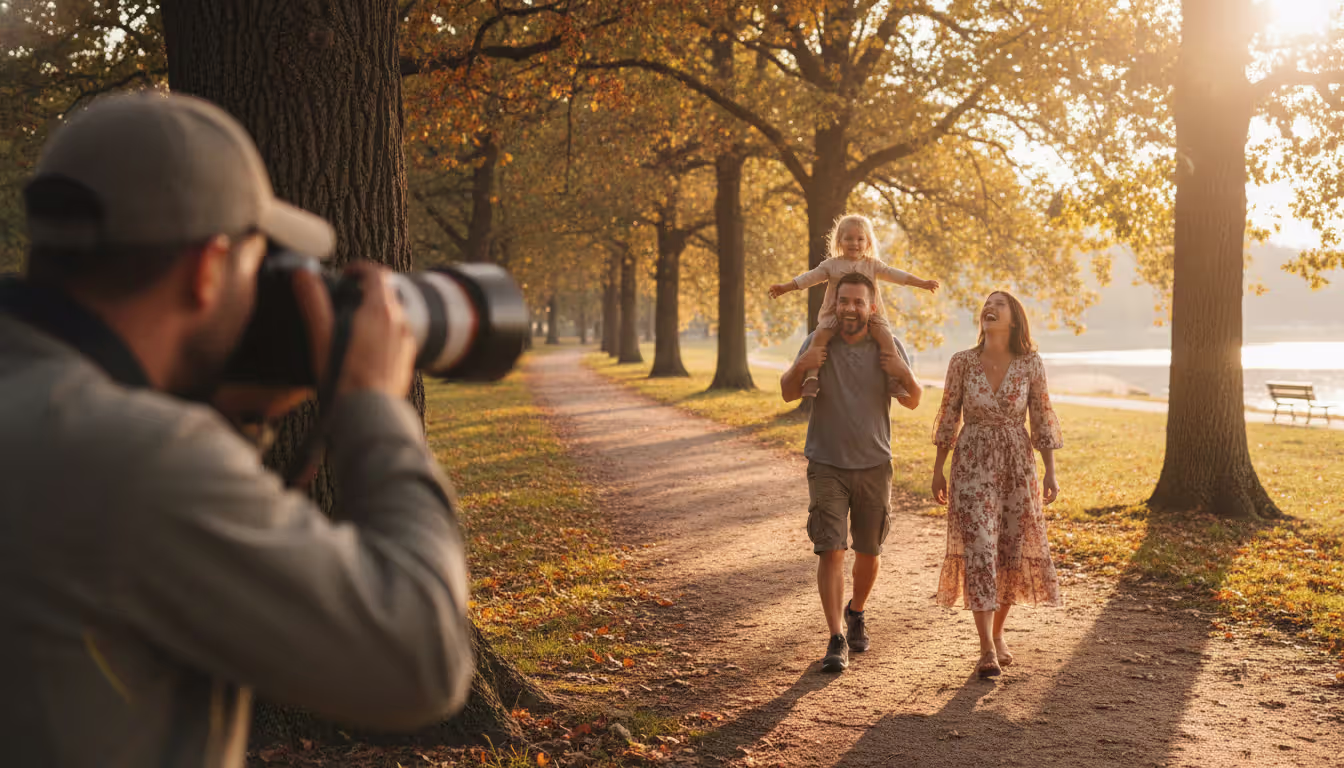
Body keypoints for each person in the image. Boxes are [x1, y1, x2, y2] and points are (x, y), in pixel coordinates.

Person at [0, 92, 474, 767]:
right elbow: (420, 661)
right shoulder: (136, 456)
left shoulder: (61, 415)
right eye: (258, 266)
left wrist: (239, 421)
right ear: (205, 270)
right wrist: (375, 405)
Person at [781, 272, 921, 673]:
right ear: (834, 303)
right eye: (843, 301)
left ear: (871, 306)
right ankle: (836, 636)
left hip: (875, 464)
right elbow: (789, 391)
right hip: (825, 462)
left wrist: (902, 369)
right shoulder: (817, 342)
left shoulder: (888, 345)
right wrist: (802, 365)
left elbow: (913, 400)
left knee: (869, 551)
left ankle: (856, 609)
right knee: (830, 547)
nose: (850, 309)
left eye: (858, 302)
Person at [930, 290, 1064, 678]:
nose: (989, 308)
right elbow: (948, 416)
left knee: (1010, 550)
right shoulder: (962, 362)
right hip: (971, 463)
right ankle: (986, 647)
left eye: (999, 304)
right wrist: (939, 467)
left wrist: (1049, 470)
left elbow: (1041, 416)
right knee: (979, 548)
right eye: (986, 304)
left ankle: (999, 633)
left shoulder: (1030, 364)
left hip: (1016, 466)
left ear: (1014, 318)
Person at [768, 213, 940, 398]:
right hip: (835, 313)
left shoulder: (872, 265)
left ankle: (893, 379)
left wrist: (922, 283)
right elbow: (809, 277)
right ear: (839, 241)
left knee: (886, 338)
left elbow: (897, 275)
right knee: (820, 337)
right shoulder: (832, 265)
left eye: (860, 239)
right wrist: (785, 287)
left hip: (870, 315)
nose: (854, 243)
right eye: (848, 238)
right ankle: (811, 378)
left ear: (868, 243)